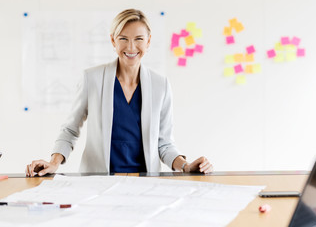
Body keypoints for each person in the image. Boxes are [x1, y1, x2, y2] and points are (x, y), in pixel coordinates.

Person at [26, 9, 213, 177]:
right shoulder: (92, 78)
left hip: (146, 184)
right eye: (123, 38)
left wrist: (186, 166)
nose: (131, 47)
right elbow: (70, 130)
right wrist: (53, 163)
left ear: (148, 42)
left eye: (139, 39)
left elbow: (164, 144)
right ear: (113, 41)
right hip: (98, 183)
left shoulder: (160, 85)